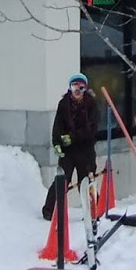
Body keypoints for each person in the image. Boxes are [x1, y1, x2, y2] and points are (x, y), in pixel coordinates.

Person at [42, 73, 98, 220]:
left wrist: (72, 137)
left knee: (86, 181)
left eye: (81, 87)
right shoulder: (64, 104)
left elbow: (91, 129)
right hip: (68, 152)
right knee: (61, 180)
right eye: (74, 87)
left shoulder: (91, 104)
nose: (77, 91)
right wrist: (57, 143)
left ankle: (92, 212)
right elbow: (57, 126)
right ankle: (49, 211)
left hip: (85, 150)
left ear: (85, 88)